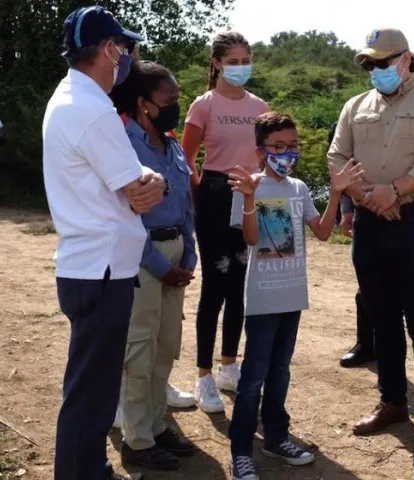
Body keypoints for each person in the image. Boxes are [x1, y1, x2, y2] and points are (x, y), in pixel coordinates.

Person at [43, 6, 165, 480]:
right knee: (91, 394)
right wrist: (154, 181)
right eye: (125, 48)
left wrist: (149, 179)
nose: (128, 58)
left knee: (92, 388)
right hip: (101, 270)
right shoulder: (92, 110)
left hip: (91, 266)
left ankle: (89, 467)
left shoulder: (73, 99)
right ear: (109, 49)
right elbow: (139, 193)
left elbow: (135, 179)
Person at [328, 28, 414, 450]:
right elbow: (337, 156)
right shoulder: (355, 106)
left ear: (406, 59)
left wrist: (396, 190)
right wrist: (368, 197)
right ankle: (392, 401)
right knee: (381, 317)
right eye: (370, 64)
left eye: (383, 62)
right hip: (371, 222)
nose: (375, 70)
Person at [226, 112, 364, 480]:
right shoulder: (248, 187)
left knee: (280, 370)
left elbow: (322, 231)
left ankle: (276, 436)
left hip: (292, 296)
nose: (287, 153)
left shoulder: (299, 188)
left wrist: (337, 193)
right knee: (253, 377)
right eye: (278, 147)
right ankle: (240, 450)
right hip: (262, 299)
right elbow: (251, 238)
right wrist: (250, 198)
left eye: (292, 145)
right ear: (260, 151)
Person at [108, 60, 198, 470]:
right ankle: (138, 441)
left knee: (165, 347)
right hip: (143, 259)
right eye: (170, 99)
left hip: (176, 253)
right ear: (144, 103)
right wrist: (162, 266)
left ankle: (158, 426)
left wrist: (189, 254)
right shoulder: (123, 146)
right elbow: (126, 217)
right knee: (140, 351)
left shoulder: (171, 145)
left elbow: (185, 203)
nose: (176, 106)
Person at [181, 31, 270, 413]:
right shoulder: (204, 105)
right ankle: (203, 375)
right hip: (215, 195)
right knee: (215, 285)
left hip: (249, 195)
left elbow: (267, 156)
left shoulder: (259, 106)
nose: (240, 67)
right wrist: (200, 197)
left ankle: (228, 366)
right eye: (232, 62)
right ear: (216, 63)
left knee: (240, 286)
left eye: (245, 61)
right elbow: (186, 159)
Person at [331, 121, 377, 368]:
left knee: (402, 290)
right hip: (365, 212)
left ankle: (389, 349)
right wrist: (347, 210)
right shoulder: (353, 118)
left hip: (409, 213)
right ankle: (365, 345)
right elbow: (343, 169)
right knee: (366, 286)